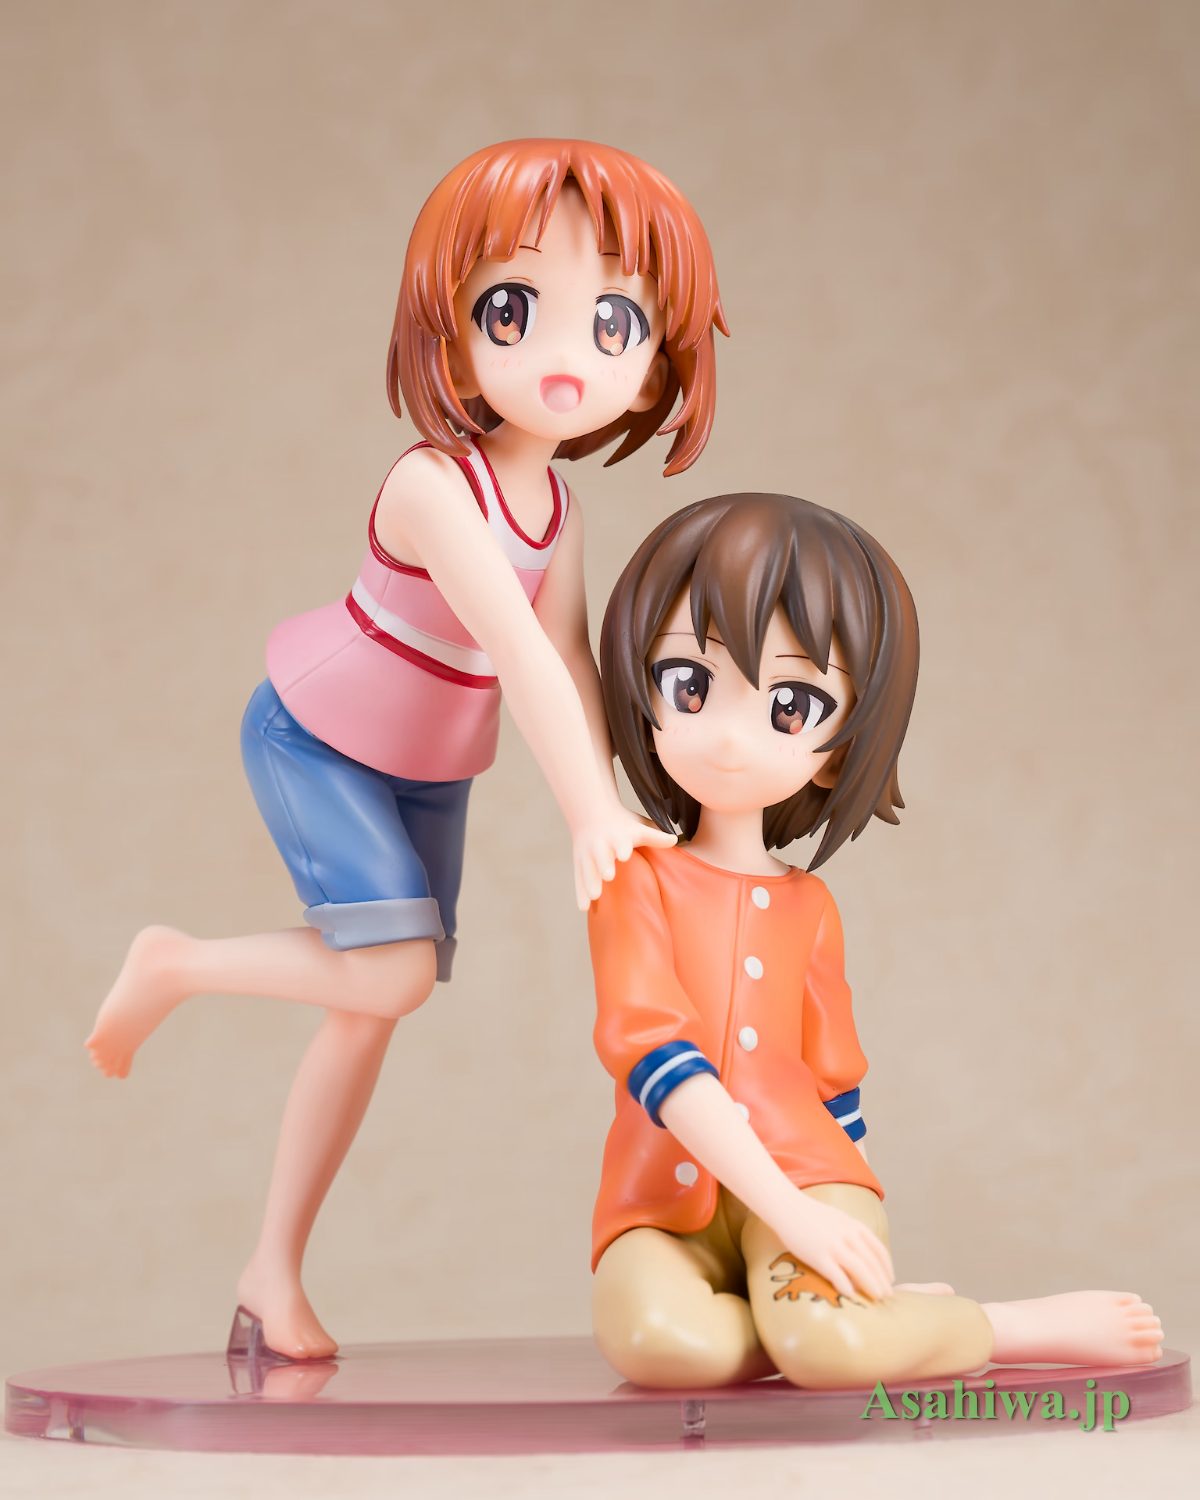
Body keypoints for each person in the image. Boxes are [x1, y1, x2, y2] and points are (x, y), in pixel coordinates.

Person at [85, 140, 727, 1360]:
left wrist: (619, 805)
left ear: (655, 365)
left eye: (615, 322)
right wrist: (587, 817)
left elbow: (569, 656)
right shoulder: (434, 486)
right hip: (319, 738)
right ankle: (175, 962)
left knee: (368, 1011)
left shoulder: (559, 509)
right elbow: (517, 651)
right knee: (390, 976)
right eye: (513, 309)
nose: (566, 353)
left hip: (433, 765)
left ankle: (271, 1274)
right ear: (450, 330)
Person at [588, 492, 1164, 1387]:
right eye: (689, 685)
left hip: (810, 1178)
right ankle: (870, 1319)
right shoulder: (634, 878)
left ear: (838, 747)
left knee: (832, 1348)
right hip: (661, 1200)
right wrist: (794, 1222)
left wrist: (825, 1213)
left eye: (791, 704)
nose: (729, 735)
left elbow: (835, 1081)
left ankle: (996, 1327)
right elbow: (656, 1055)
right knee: (665, 1348)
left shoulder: (811, 904)